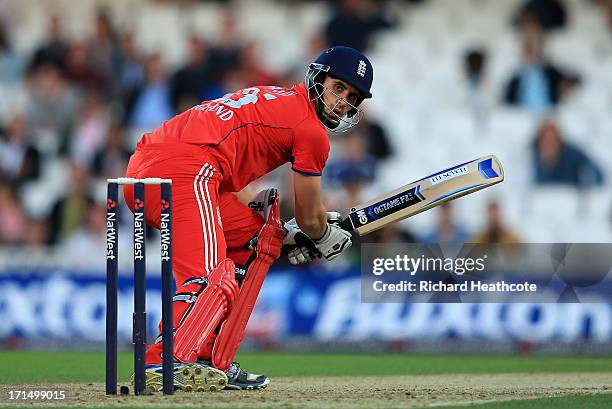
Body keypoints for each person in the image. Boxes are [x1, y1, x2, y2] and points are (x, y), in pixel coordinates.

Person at [122, 46, 374, 391]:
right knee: (210, 275)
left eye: (353, 97)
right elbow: (309, 216)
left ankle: (208, 360)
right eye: (339, 87)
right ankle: (163, 359)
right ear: (318, 77)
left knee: (256, 239)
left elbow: (227, 159)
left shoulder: (276, 96)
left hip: (167, 165)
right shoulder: (312, 131)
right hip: (183, 171)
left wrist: (291, 235)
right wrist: (323, 235)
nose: (343, 100)